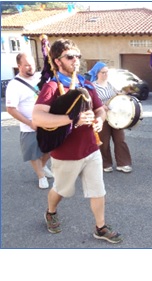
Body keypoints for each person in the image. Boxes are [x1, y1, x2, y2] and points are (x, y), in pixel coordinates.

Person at [33, 38, 121, 243]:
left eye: (78, 56)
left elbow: (100, 109)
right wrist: (73, 119)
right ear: (57, 61)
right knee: (61, 190)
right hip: (66, 154)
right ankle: (51, 211)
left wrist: (99, 120)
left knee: (98, 191)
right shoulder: (52, 87)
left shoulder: (85, 83)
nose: (76, 60)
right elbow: (37, 118)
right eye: (70, 57)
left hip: (91, 150)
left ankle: (100, 227)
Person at [5, 52, 53, 189]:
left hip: (46, 121)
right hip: (29, 125)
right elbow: (11, 109)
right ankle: (41, 176)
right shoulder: (14, 85)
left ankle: (42, 166)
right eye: (26, 65)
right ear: (19, 66)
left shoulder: (40, 77)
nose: (30, 68)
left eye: (31, 64)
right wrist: (29, 123)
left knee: (50, 149)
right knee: (33, 152)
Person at [88, 61, 133, 173]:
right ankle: (105, 164)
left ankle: (123, 163)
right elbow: (91, 102)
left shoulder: (110, 84)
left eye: (107, 72)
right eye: (103, 72)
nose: (106, 74)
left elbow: (117, 96)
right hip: (102, 117)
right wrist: (101, 106)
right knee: (104, 141)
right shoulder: (92, 86)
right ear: (97, 73)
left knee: (120, 139)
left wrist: (121, 94)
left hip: (115, 116)